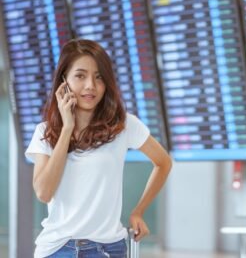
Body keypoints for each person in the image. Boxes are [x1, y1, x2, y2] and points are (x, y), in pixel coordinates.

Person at [25, 39, 172, 258]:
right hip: (57, 249)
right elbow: (44, 192)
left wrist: (139, 211)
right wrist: (67, 130)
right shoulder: (45, 132)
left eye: (98, 77)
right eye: (80, 76)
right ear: (64, 81)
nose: (90, 86)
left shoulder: (124, 125)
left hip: (108, 249)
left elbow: (163, 163)